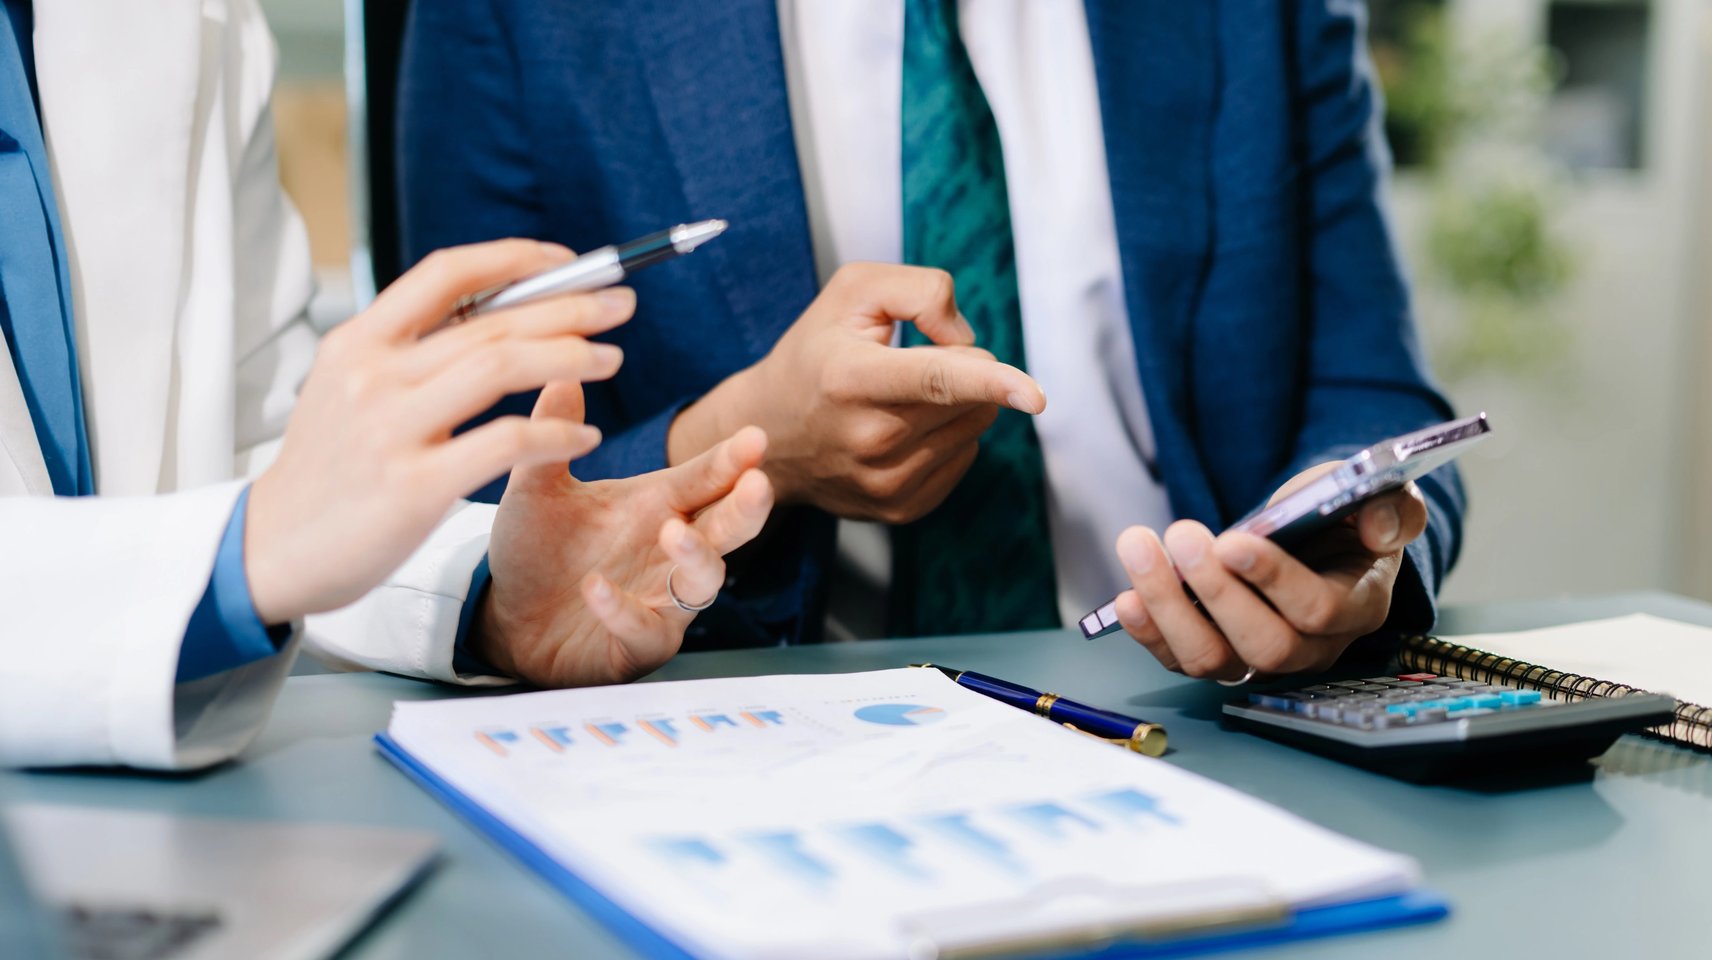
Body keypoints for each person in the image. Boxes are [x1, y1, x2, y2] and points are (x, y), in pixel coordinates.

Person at [399, 0, 1465, 681]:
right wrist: (755, 439)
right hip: (751, 727)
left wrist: (1355, 550)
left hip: (1201, 711)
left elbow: (1373, 390)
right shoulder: (518, 20)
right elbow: (456, 502)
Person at [0, 0, 774, 770]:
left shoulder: (202, 20)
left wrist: (491, 597)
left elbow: (259, 462)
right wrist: (251, 548)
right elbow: (267, 526)